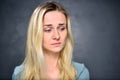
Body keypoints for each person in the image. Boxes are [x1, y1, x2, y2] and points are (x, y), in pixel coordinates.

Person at [12, 1, 89, 80]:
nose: (57, 36)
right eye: (48, 30)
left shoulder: (80, 73)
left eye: (62, 28)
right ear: (36, 33)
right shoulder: (19, 74)